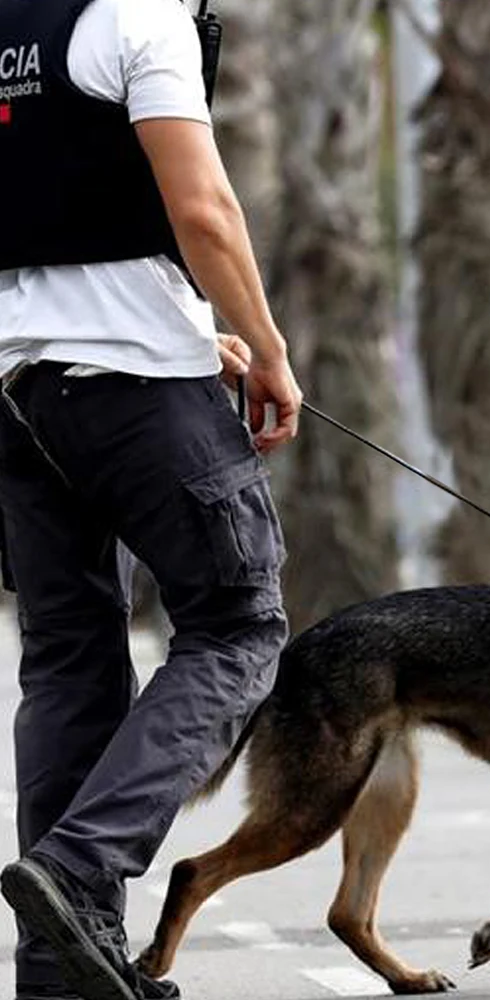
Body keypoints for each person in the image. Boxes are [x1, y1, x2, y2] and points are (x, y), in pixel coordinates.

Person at [0, 0, 302, 998]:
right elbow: (204, 209)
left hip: (14, 387)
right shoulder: (138, 16)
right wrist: (265, 345)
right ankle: (83, 865)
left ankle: (57, 969)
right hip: (130, 385)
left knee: (69, 657)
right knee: (238, 623)